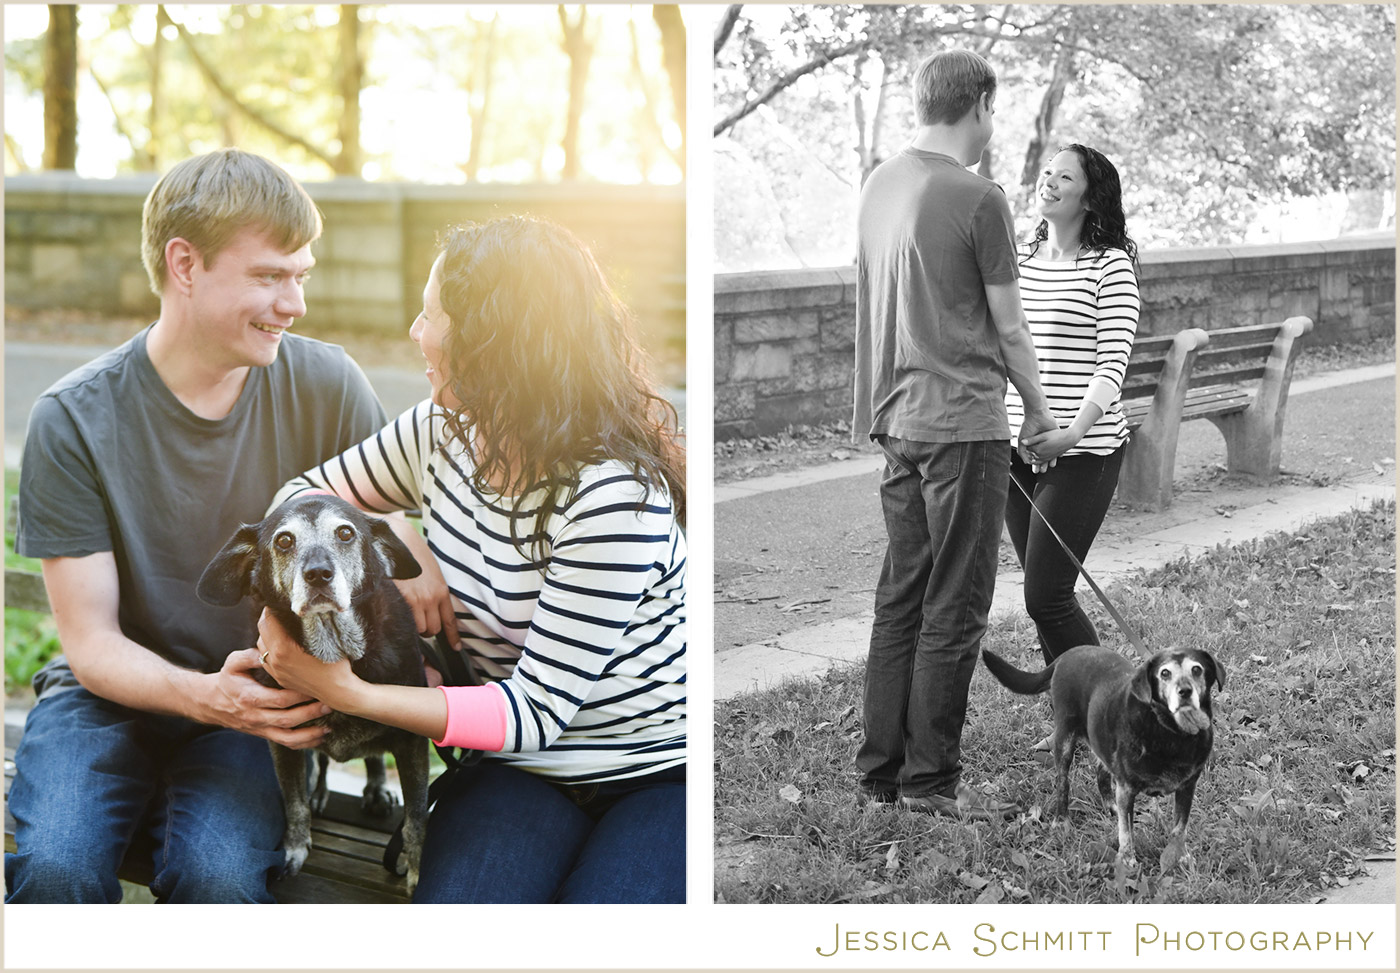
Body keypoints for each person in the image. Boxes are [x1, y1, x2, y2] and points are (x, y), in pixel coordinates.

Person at [255, 214, 687, 904]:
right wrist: (405, 538)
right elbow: (297, 496)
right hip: (514, 770)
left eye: (431, 317)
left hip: (654, 774)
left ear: (492, 344)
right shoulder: (438, 431)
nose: (415, 334)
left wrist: (351, 695)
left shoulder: (611, 496)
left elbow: (534, 711)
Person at [4, 149, 388, 903]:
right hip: (105, 701)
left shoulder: (329, 385)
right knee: (54, 867)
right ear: (185, 264)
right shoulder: (74, 419)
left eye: (300, 276)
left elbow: (388, 554)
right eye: (271, 276)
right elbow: (91, 642)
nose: (295, 302)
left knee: (215, 874)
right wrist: (208, 695)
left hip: (262, 707)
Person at [850, 48, 1058, 822]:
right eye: (992, 111)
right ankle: (930, 784)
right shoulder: (979, 198)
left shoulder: (880, 183)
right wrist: (1037, 411)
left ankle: (880, 773)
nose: (991, 126)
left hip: (897, 418)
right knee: (958, 605)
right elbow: (1010, 325)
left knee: (900, 597)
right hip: (964, 424)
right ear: (977, 105)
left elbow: (871, 300)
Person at [1005, 144, 1141, 713]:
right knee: (1043, 600)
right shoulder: (1022, 258)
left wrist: (1069, 433)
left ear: (1091, 196)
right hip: (1016, 451)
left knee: (1048, 594)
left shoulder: (1110, 264)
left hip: (1085, 450)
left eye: (1066, 176)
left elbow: (1113, 364)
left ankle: (1121, 711)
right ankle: (1074, 718)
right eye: (1046, 173)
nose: (1050, 182)